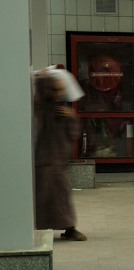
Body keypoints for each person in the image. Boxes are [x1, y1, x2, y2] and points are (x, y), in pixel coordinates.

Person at [33, 69, 87, 241]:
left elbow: (74, 133)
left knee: (60, 196)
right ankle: (38, 226)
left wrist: (71, 118)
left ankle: (69, 227)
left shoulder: (61, 111)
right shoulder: (39, 107)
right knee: (41, 196)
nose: (59, 92)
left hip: (56, 161)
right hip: (42, 160)